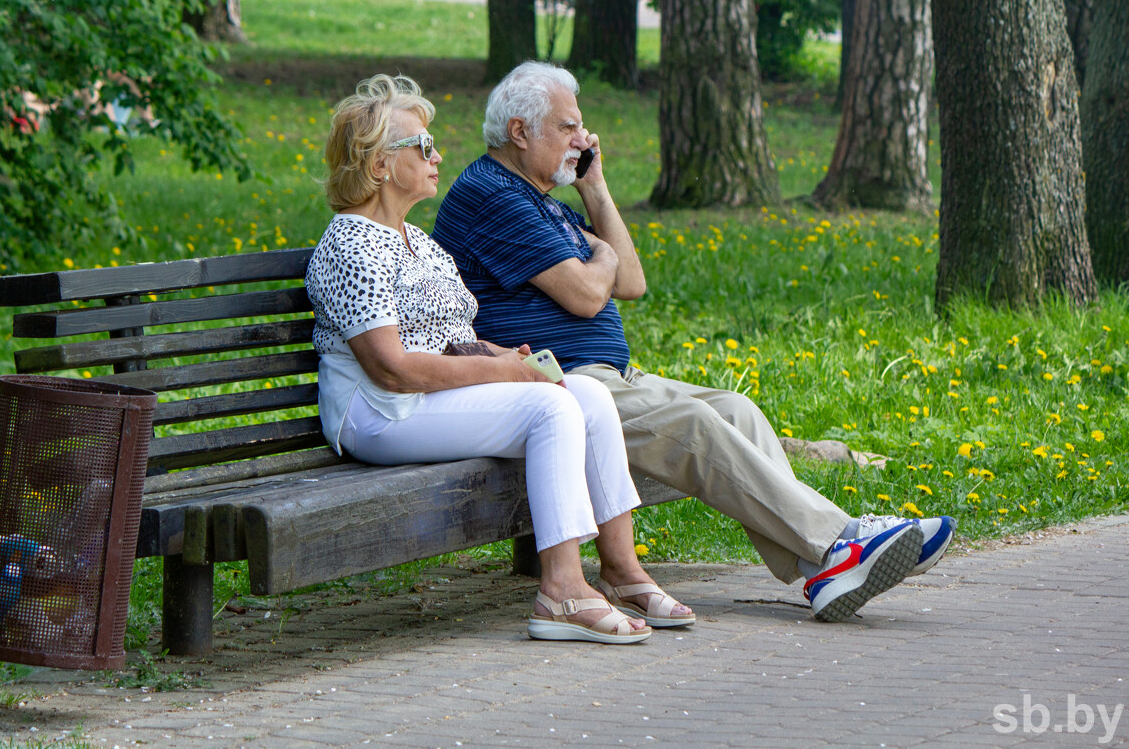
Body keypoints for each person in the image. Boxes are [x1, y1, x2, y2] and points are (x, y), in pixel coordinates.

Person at [432, 61, 958, 623]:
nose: (582, 140)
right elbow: (591, 294)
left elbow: (631, 284)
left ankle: (823, 569)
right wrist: (602, 257)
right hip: (560, 385)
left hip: (603, 376)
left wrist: (596, 187)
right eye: (568, 128)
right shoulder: (493, 194)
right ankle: (838, 544)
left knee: (736, 409)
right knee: (695, 423)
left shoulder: (542, 200)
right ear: (520, 132)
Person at [306, 73, 694, 644]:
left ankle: (623, 568)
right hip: (381, 412)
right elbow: (393, 367)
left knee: (584, 395)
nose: (437, 155)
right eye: (422, 146)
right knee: (549, 410)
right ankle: (560, 591)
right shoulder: (351, 244)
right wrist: (506, 370)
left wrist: (511, 357)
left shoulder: (420, 242)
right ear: (380, 165)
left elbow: (450, 335)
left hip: (426, 397)